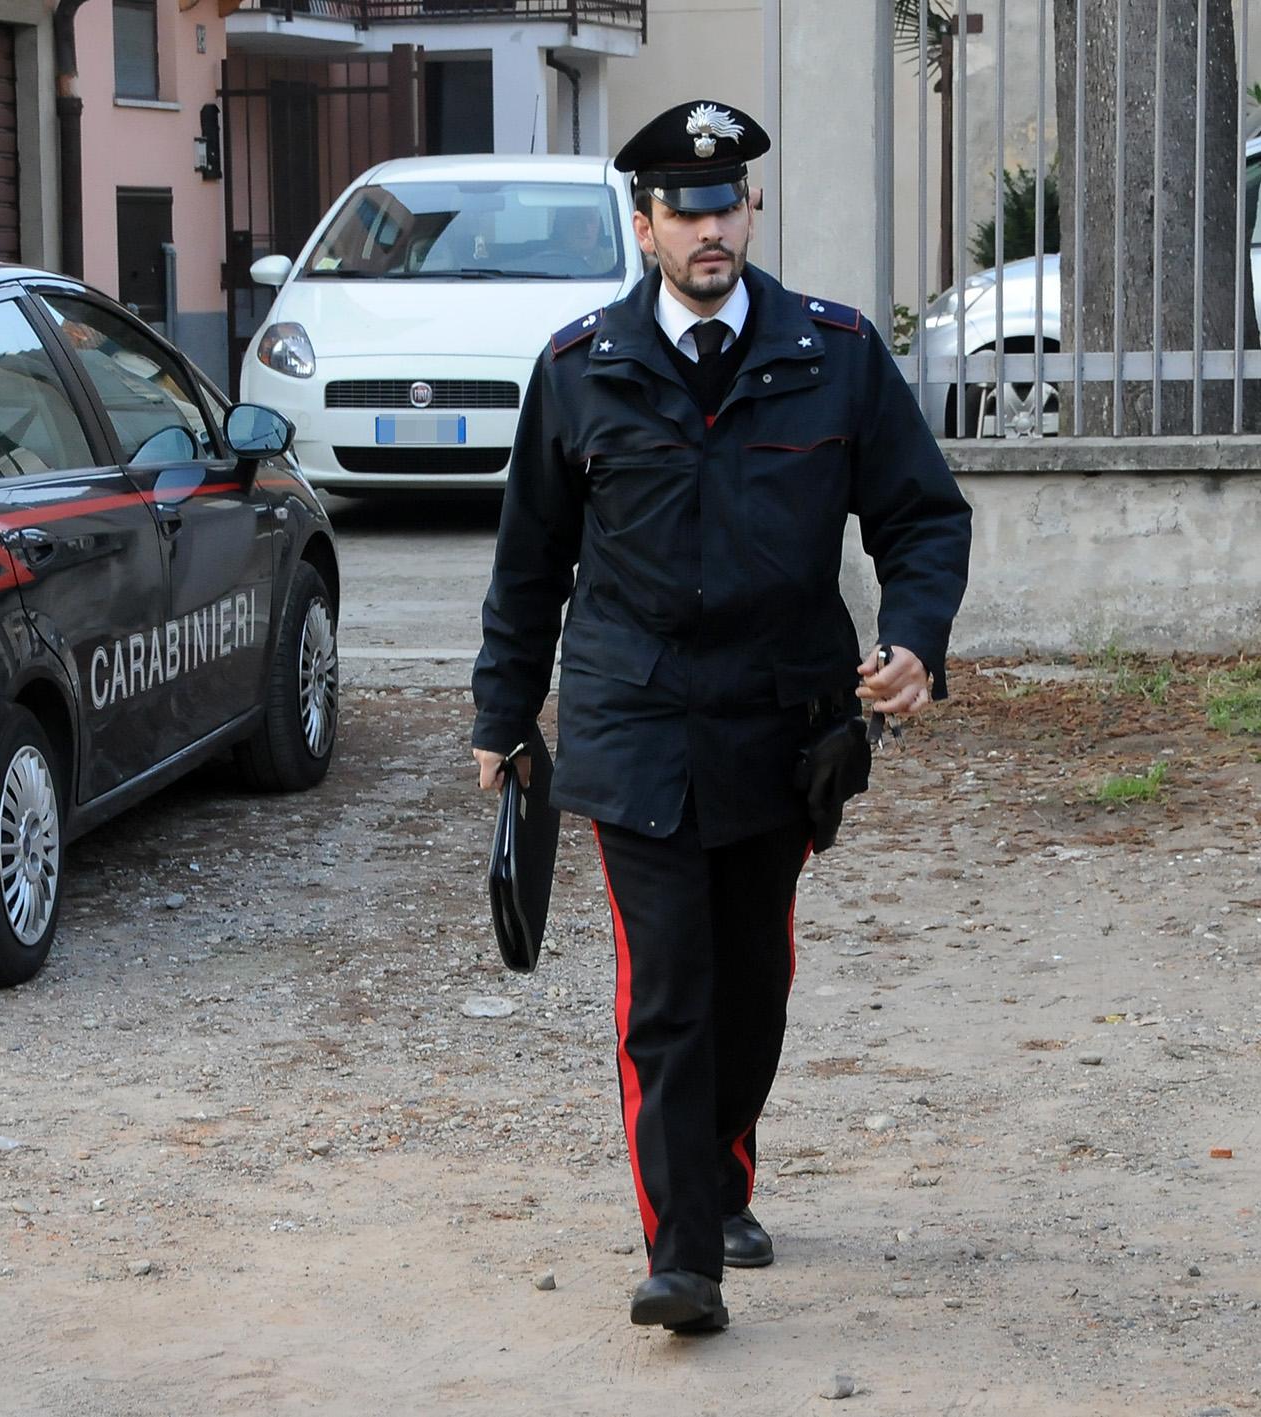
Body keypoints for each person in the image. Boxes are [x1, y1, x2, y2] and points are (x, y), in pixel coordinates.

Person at [469, 100, 972, 1336]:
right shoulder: (580, 368)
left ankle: (723, 1171)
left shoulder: (833, 354)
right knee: (668, 988)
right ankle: (679, 1252)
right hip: (632, 714)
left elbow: (921, 517)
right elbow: (529, 559)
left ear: (751, 210)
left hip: (780, 719)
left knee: (750, 982)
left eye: (725, 202)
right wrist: (501, 711)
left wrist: (911, 643)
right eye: (682, 209)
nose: (708, 227)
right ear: (642, 226)